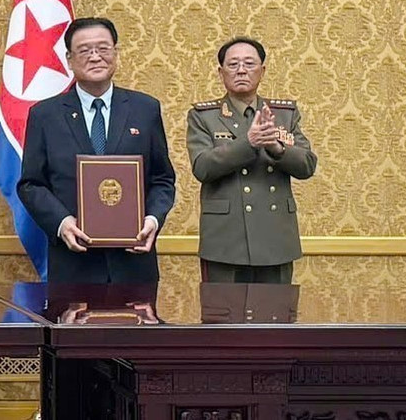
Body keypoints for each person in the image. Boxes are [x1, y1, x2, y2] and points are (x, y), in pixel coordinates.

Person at [17, 17, 176, 283]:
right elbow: (31, 184)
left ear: (116, 53)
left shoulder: (145, 109)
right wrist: (62, 223)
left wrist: (153, 219)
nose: (95, 57)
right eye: (84, 50)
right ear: (69, 60)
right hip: (73, 263)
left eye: (103, 48)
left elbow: (162, 179)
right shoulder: (45, 115)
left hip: (134, 262)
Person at [186, 37, 317, 284]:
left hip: (275, 238)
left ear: (262, 71)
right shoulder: (204, 116)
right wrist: (249, 143)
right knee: (223, 308)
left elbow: (307, 165)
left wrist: (276, 147)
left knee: (276, 307)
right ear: (221, 72)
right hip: (225, 241)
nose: (241, 70)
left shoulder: (284, 114)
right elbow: (202, 167)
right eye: (233, 64)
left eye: (249, 63)